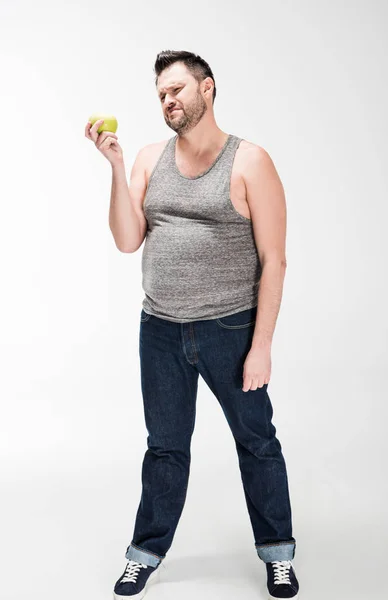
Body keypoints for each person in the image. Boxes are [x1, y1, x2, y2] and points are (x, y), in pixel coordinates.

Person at [85, 49, 299, 600]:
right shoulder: (148, 160)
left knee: (257, 442)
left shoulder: (250, 161)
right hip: (159, 330)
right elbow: (128, 239)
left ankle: (277, 555)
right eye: (161, 94)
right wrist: (114, 164)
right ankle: (145, 555)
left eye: (177, 89)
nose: (168, 100)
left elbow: (274, 259)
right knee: (165, 449)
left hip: (231, 330)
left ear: (208, 89)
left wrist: (262, 347)